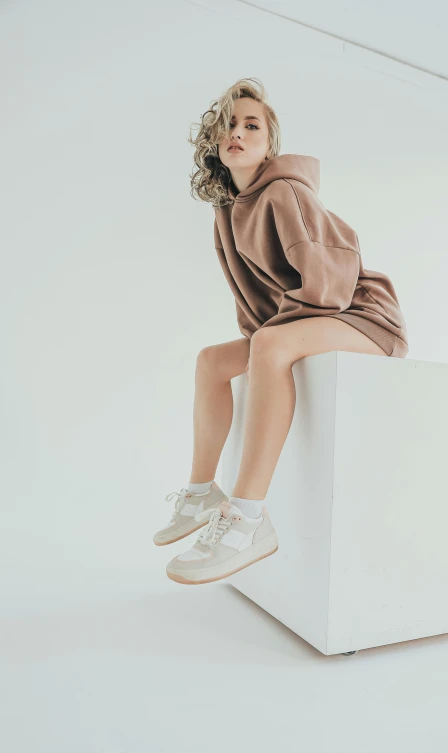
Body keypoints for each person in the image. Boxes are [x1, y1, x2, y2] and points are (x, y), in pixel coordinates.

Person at [153, 77, 410, 585]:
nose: (238, 132)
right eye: (229, 124)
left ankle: (248, 518)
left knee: (268, 345)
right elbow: (251, 301)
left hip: (364, 317)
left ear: (270, 144)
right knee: (212, 360)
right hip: (306, 319)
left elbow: (332, 284)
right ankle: (203, 491)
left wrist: (269, 339)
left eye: (252, 125)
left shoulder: (285, 192)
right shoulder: (226, 213)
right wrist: (262, 338)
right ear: (214, 144)